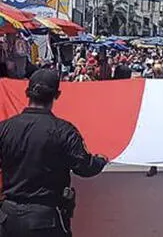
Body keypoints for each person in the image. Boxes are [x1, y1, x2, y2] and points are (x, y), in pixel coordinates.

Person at [0, 69, 108, 236]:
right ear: (57, 95)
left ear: (27, 93)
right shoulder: (64, 131)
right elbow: (85, 167)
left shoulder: (5, 128)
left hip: (8, 217)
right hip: (46, 219)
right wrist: (101, 160)